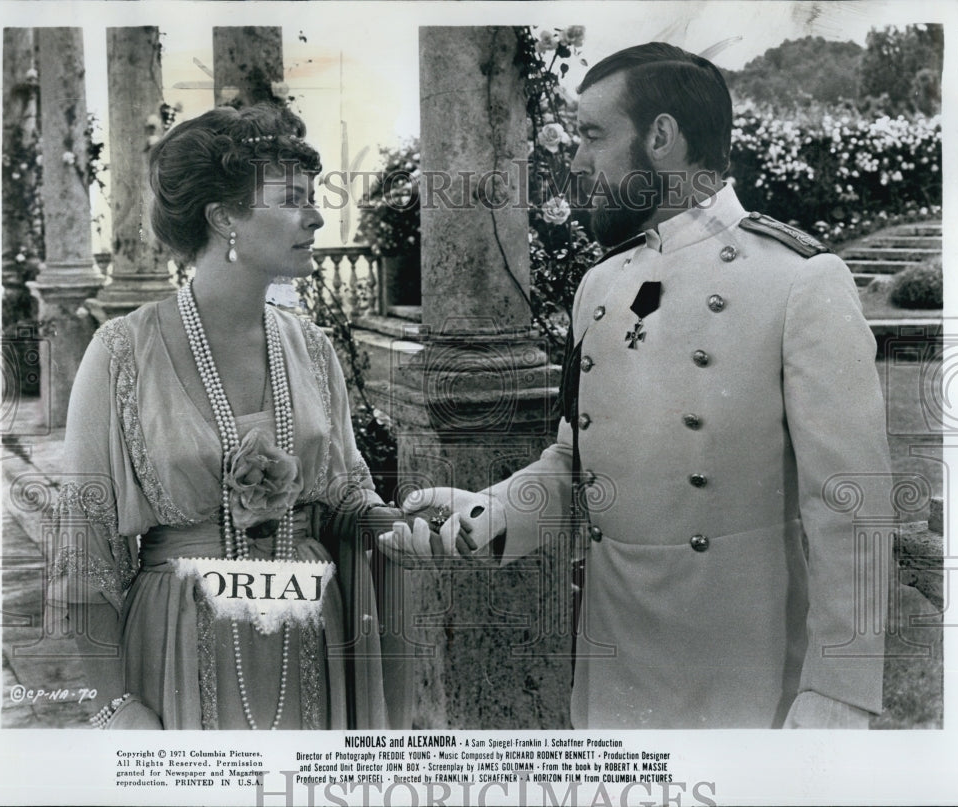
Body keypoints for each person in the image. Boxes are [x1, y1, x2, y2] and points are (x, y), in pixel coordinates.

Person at [381, 43, 892, 729]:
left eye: (594, 135)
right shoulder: (603, 283)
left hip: (742, 676)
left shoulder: (800, 279)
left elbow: (850, 502)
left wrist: (840, 689)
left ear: (661, 138)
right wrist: (486, 516)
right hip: (612, 668)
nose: (577, 160)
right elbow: (575, 464)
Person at [47, 103, 415, 730]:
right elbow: (85, 546)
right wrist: (115, 704)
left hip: (307, 640)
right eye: (293, 200)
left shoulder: (313, 347)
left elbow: (348, 497)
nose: (316, 215)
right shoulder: (120, 353)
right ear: (224, 219)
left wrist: (407, 521)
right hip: (179, 641)